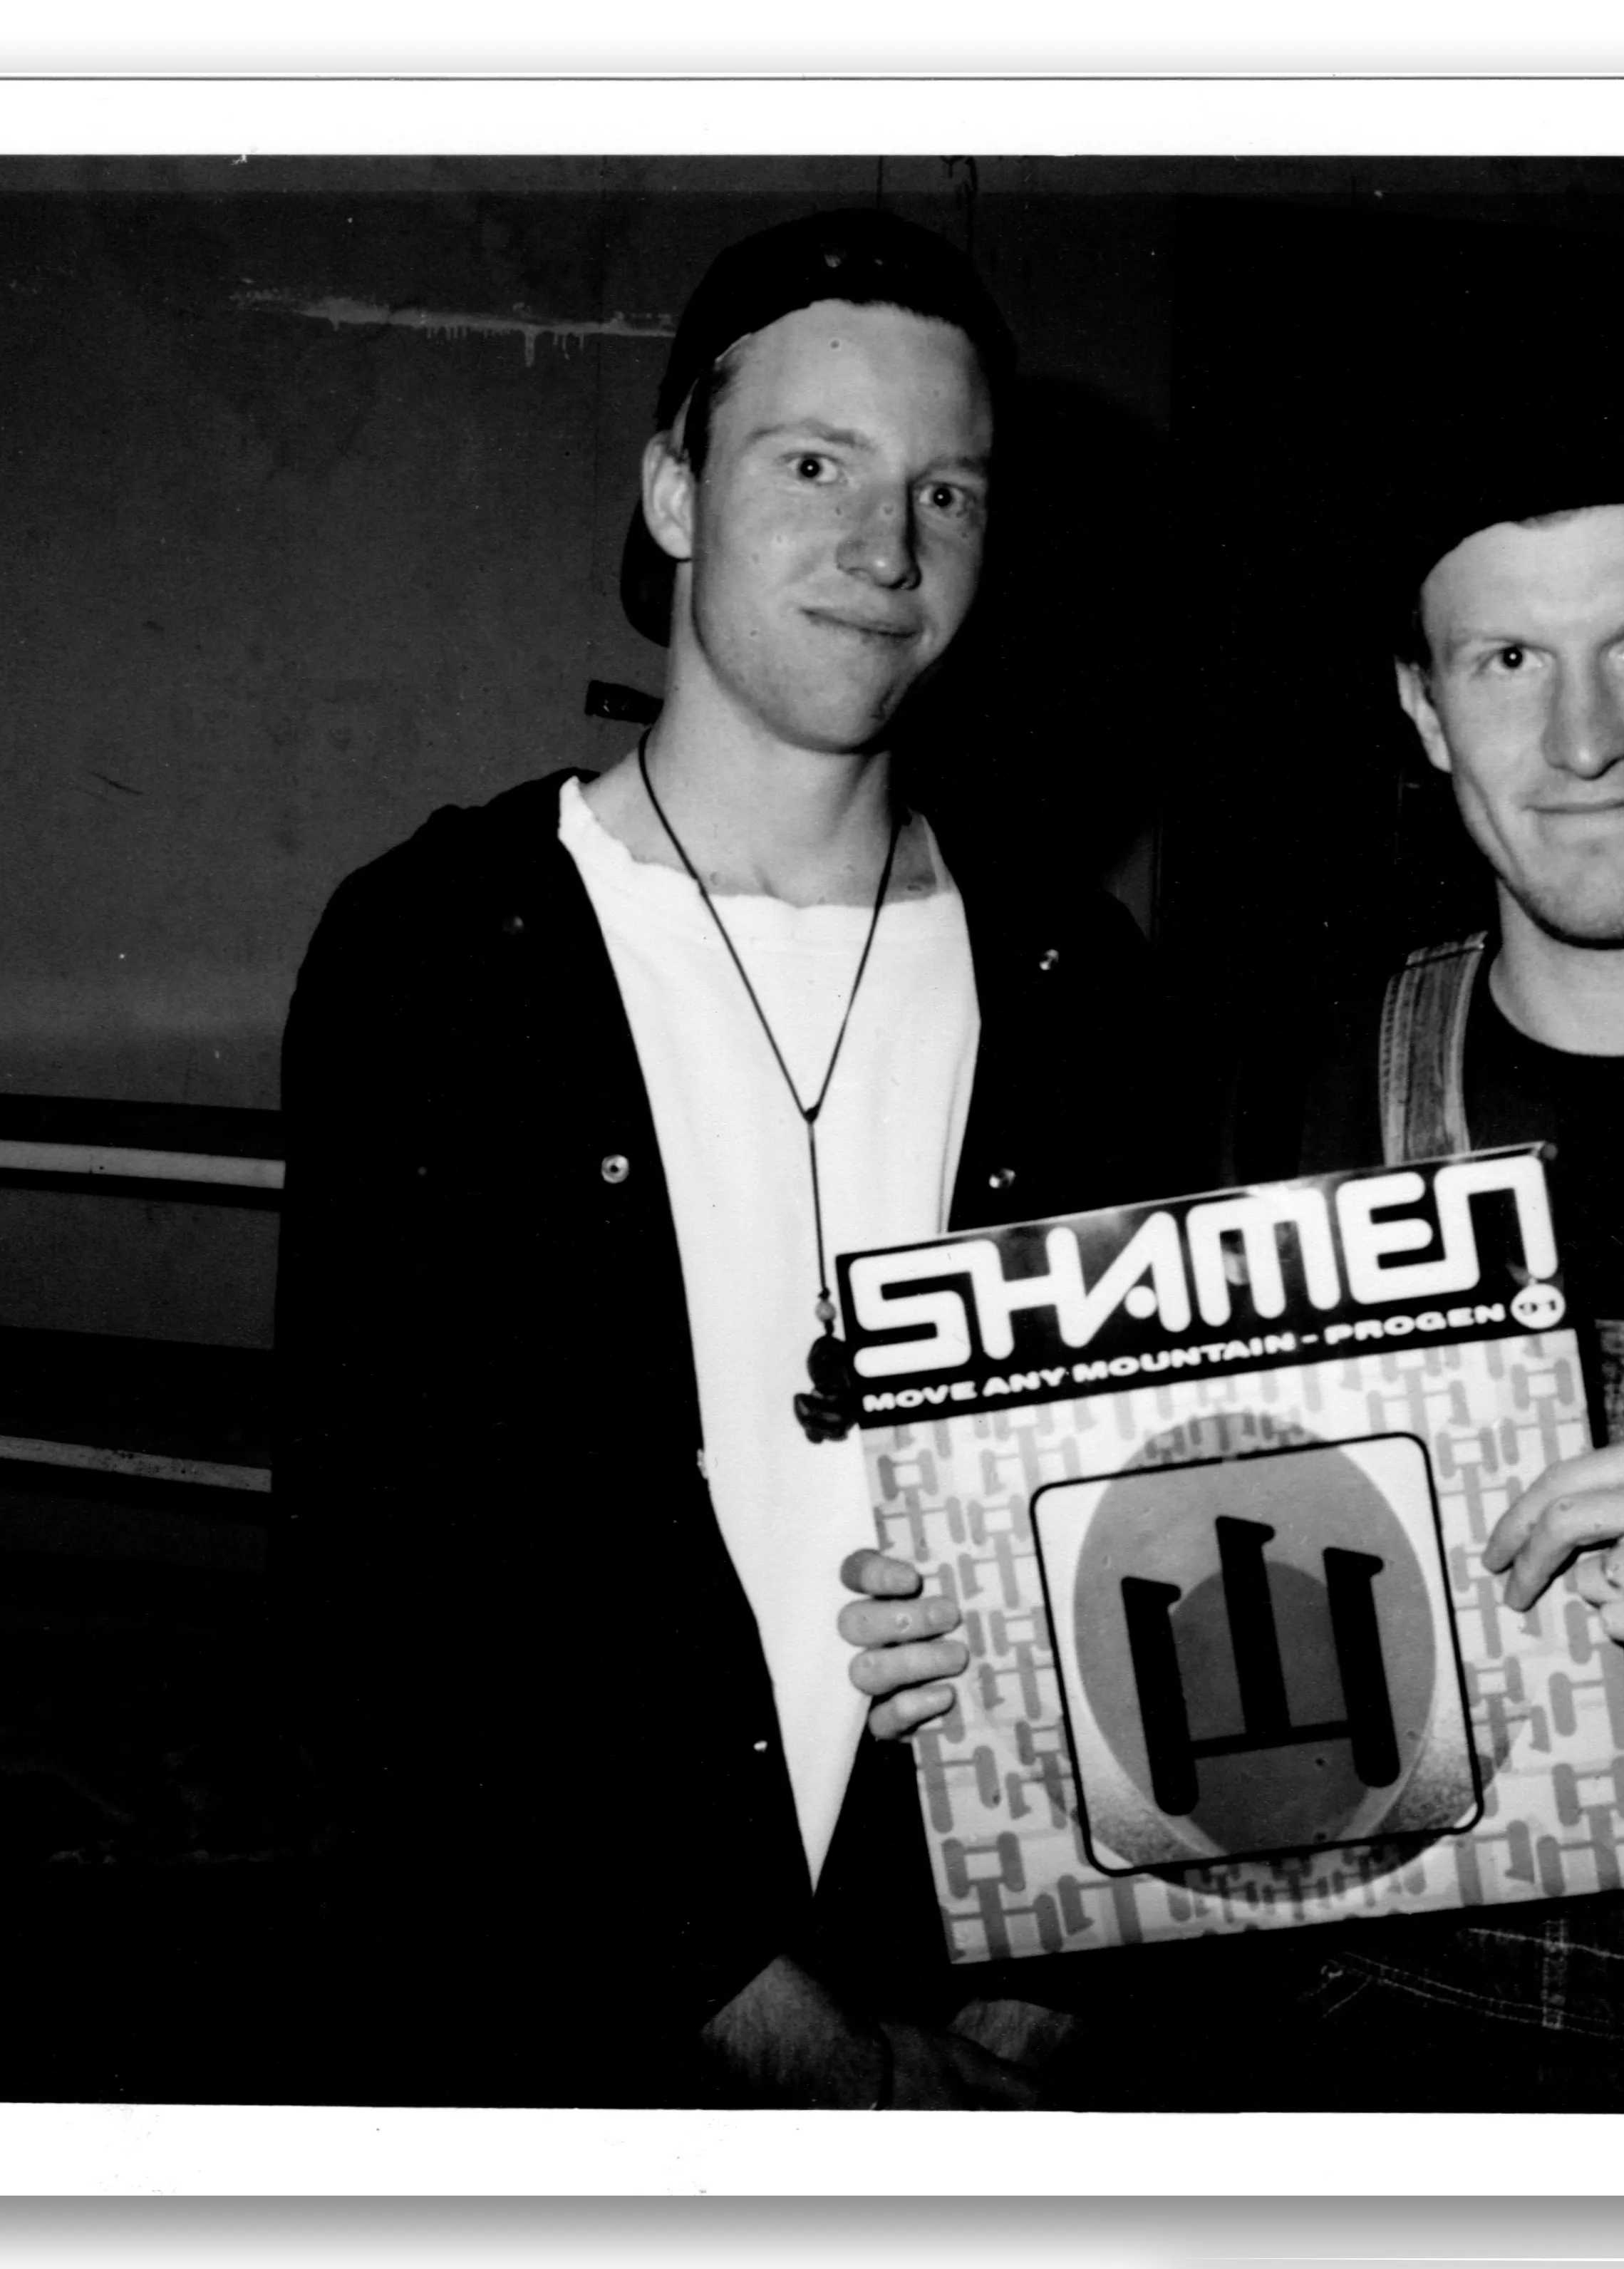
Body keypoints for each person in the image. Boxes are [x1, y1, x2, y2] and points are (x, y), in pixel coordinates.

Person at [846, 365, 1624, 2113]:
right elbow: (1183, 1673)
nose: (1580, 740)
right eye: (1508, 660)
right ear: (1425, 708)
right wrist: (994, 1645)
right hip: (1351, 2088)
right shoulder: (1282, 1102)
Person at [271, 210, 1172, 2109]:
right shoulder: (444, 953)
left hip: (995, 2038)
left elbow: (1149, 1543)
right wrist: (801, 2049)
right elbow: (388, 1595)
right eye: (814, 466)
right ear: (674, 488)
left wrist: (1046, 2011)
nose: (885, 549)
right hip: (577, 2042)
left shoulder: (1080, 985)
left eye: (946, 491)